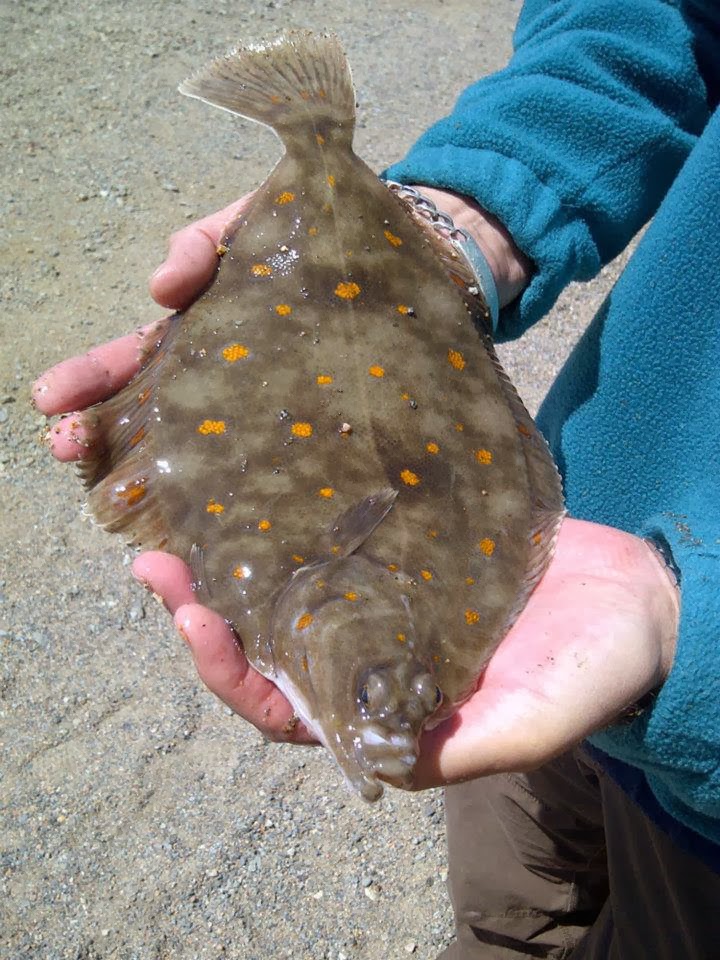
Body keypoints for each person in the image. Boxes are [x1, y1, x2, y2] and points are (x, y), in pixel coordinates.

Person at [33, 1, 720, 956]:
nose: (381, 733)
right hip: (552, 611)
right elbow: (643, 22)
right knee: (505, 910)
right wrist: (459, 221)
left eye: (377, 701)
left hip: (700, 788)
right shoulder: (461, 637)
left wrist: (703, 652)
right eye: (381, 701)